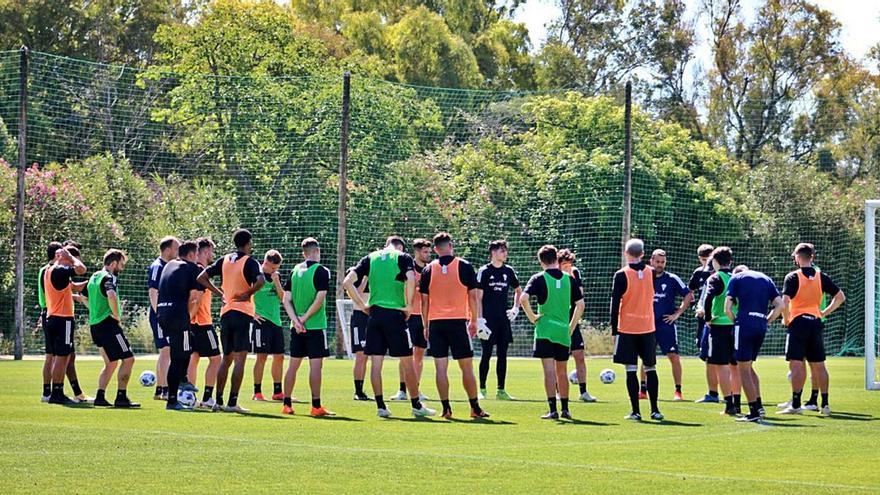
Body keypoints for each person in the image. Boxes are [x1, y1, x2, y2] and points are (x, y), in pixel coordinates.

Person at [342, 236, 435, 418]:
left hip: (374, 316)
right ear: (400, 247)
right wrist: (408, 305)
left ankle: (381, 407)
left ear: (385, 245)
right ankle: (416, 404)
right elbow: (410, 279)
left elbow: (347, 283)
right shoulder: (402, 257)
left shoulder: (370, 257)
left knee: (376, 363)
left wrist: (362, 305)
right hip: (395, 315)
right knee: (407, 362)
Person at [420, 233, 488, 419]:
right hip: (458, 322)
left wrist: (425, 325)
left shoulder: (428, 270)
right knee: (466, 368)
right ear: (451, 245)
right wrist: (474, 320)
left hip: (435, 323)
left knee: (440, 368)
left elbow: (424, 302)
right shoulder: (464, 265)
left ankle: (446, 409)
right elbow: (473, 296)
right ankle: (474, 407)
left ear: (435, 249)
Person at [198, 228, 265, 413]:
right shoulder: (250, 262)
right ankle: (232, 402)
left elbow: (201, 277)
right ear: (248, 243)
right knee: (240, 360)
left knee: (226, 359)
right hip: (242, 314)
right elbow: (261, 281)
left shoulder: (224, 260)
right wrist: (248, 293)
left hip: (226, 314)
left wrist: (221, 294)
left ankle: (218, 401)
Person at [778, 243, 845, 416]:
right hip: (815, 322)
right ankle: (825, 404)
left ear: (798, 257)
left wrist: (786, 319)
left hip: (798, 323)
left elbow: (784, 303)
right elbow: (840, 297)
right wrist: (823, 312)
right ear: (812, 257)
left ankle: (796, 403)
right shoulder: (821, 276)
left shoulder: (792, 277)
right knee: (819, 365)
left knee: (796, 364)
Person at [521, 245, 584, 420]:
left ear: (541, 262)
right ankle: (565, 409)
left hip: (545, 330)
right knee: (562, 371)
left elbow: (523, 298)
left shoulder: (538, 278)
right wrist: (571, 327)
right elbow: (581, 305)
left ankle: (552, 410)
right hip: (563, 331)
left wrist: (532, 317)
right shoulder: (569, 279)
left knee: (549, 371)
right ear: (556, 259)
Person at [610, 239, 662, 421]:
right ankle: (655, 410)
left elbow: (615, 303)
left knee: (631, 370)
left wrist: (613, 329)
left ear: (626, 253)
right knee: (650, 368)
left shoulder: (621, 274)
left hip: (627, 328)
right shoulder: (651, 272)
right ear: (643, 254)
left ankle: (636, 411)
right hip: (648, 327)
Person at [281, 238, 334, 416]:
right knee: (315, 366)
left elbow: (286, 300)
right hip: (315, 326)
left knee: (293, 366)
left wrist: (295, 320)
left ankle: (287, 404)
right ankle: (316, 406)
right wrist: (303, 319)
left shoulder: (295, 271)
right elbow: (319, 300)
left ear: (303, 252)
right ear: (317, 251)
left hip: (296, 327)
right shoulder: (321, 271)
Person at [724, 265, 783, 422]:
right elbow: (780, 305)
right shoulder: (766, 278)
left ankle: (753, 411)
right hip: (760, 326)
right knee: (749, 368)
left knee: (742, 369)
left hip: (744, 325)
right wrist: (767, 320)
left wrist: (735, 321)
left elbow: (727, 308)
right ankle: (759, 406)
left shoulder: (735, 278)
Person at [87, 249, 139, 408]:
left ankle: (100, 397)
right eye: (121, 265)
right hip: (108, 325)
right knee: (129, 359)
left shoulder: (94, 277)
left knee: (110, 362)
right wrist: (116, 315)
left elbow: (83, 297)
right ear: (114, 263)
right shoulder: (109, 277)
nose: (121, 268)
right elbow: (111, 295)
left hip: (95, 326)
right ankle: (121, 397)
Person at [157, 241, 203, 411]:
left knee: (188, 342)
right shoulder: (192, 268)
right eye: (197, 254)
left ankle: (183, 379)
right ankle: (172, 400)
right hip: (177, 316)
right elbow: (193, 298)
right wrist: (187, 318)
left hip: (162, 314)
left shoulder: (169, 265)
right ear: (191, 255)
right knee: (178, 358)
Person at [642, 249, 693, 401]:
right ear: (651, 261)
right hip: (646, 323)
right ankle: (642, 390)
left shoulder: (672, 278)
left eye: (662, 262)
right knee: (646, 357)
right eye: (657, 262)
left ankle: (678, 391)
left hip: (666, 324)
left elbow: (688, 295)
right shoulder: (643, 277)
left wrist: (677, 314)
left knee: (673, 356)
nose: (660, 265)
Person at [476, 239, 521, 401]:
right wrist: (479, 319)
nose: (505, 253)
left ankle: (501, 390)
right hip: (487, 320)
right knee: (486, 354)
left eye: (505, 251)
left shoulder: (508, 271)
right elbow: (477, 297)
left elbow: (518, 290)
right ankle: (482, 389)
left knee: (503, 354)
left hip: (503, 320)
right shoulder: (484, 271)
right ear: (493, 253)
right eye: (502, 251)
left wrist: (516, 308)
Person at [44, 246, 88, 405]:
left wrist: (90, 283)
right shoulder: (61, 269)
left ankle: (57, 392)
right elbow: (82, 269)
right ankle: (57, 393)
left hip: (53, 318)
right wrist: (71, 257)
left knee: (60, 357)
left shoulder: (50, 271)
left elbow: (74, 287)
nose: (72, 265)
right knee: (62, 359)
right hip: (63, 319)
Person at [702, 247, 742, 416]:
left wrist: (708, 317)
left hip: (719, 326)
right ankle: (738, 403)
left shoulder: (715, 278)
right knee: (735, 366)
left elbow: (708, 297)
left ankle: (729, 405)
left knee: (721, 366)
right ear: (730, 262)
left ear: (715, 261)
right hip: (735, 324)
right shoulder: (737, 278)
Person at [391, 238, 432, 402]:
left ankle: (416, 388)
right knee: (405, 353)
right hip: (408, 316)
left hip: (423, 317)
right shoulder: (406, 267)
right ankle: (402, 390)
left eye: (429, 252)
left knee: (419, 354)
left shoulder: (431, 269)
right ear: (416, 252)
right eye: (425, 252)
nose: (428, 255)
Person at [557, 249, 596, 402]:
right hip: (558, 323)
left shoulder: (574, 274)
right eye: (565, 265)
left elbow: (579, 295)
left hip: (573, 321)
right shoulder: (553, 277)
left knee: (579, 356)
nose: (568, 267)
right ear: (558, 264)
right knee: (559, 360)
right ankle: (559, 393)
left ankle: (583, 392)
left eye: (570, 264)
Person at [187, 237, 222, 410]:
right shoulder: (201, 271)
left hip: (192, 322)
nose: (212, 255)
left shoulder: (192, 269)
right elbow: (197, 299)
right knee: (216, 359)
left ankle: (190, 397)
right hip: (202, 322)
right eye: (211, 251)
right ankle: (207, 398)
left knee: (193, 358)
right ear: (206, 251)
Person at [148, 236, 180, 400]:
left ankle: (160, 389)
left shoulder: (169, 266)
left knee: (165, 351)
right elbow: (153, 292)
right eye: (176, 248)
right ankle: (165, 390)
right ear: (167, 250)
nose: (178, 251)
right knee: (166, 351)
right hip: (159, 315)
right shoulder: (157, 266)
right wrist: (159, 314)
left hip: (165, 315)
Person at [252, 250, 286, 402]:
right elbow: (246, 294)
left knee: (279, 357)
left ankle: (278, 391)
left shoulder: (276, 277)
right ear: (266, 263)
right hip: (261, 321)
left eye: (276, 268)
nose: (275, 271)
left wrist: (277, 281)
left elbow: (282, 298)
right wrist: (252, 314)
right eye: (273, 268)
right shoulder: (255, 275)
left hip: (276, 322)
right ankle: (257, 392)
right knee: (262, 357)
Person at [689, 243, 721, 404]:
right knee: (709, 355)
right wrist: (699, 306)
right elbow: (692, 291)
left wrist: (706, 311)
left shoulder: (718, 278)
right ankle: (728, 396)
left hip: (714, 321)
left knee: (714, 357)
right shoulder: (702, 274)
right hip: (708, 320)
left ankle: (716, 394)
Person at [37, 241, 63, 402]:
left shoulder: (43, 270)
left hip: (48, 312)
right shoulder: (51, 271)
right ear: (56, 254)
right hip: (53, 313)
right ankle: (52, 392)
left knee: (50, 355)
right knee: (54, 356)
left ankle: (47, 392)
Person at [346, 266, 372, 401]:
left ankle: (362, 389)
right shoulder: (354, 273)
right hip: (359, 317)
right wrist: (365, 278)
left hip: (370, 317)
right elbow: (358, 292)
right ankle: (357, 390)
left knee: (366, 356)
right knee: (360, 355)